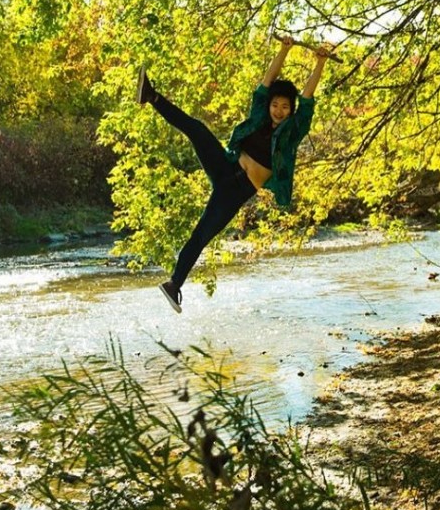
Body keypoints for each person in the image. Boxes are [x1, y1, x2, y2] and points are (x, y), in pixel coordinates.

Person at [136, 36, 332, 313]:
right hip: (226, 167)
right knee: (198, 129)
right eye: (276, 105)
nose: (279, 110)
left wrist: (320, 62)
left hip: (236, 191)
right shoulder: (259, 115)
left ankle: (173, 284)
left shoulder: (293, 131)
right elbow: (266, 84)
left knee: (201, 234)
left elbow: (307, 99)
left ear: (291, 111)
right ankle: (151, 96)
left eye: (285, 107)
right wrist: (283, 50)